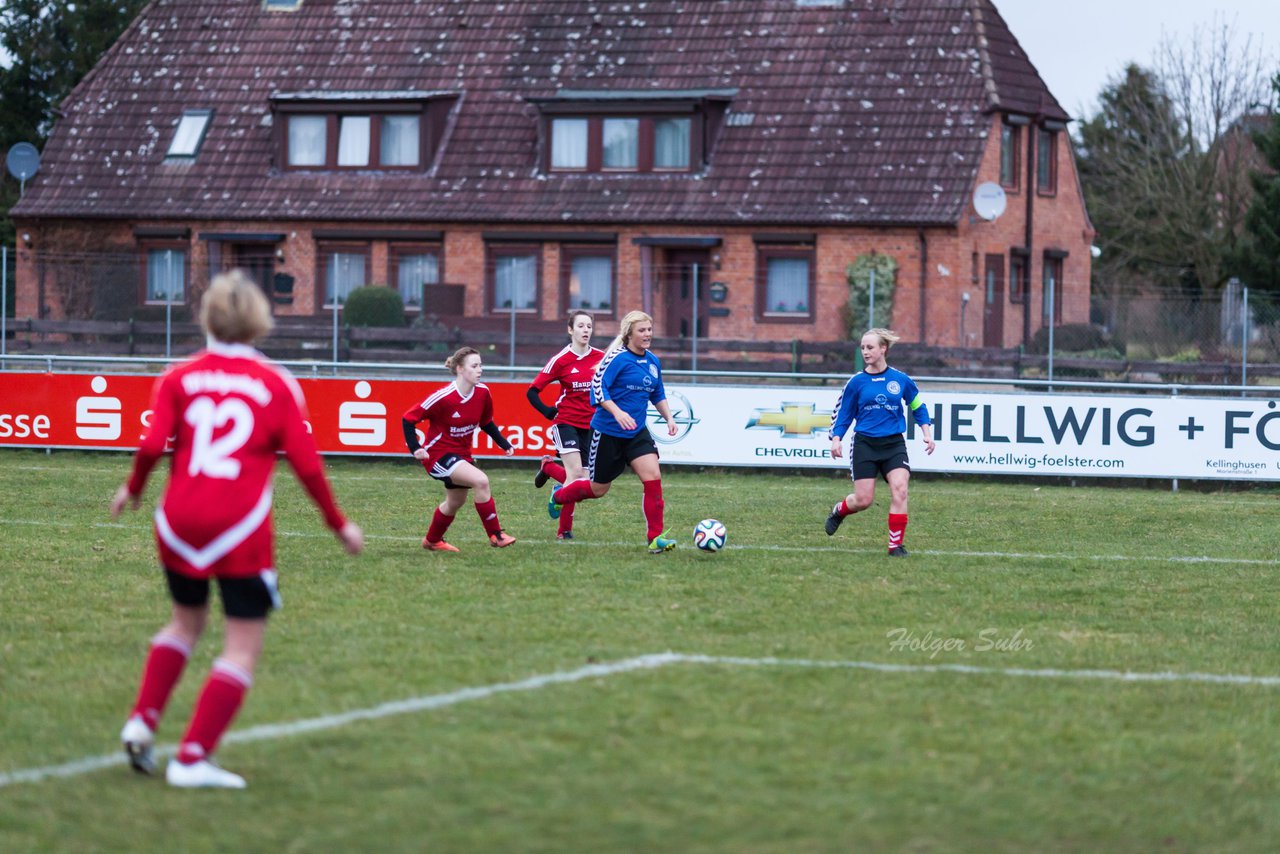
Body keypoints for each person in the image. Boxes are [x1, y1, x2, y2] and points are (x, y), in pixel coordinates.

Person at [111, 270, 365, 789]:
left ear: (207, 317)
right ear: (259, 320)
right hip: (238, 527)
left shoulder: (178, 376)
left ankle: (142, 719)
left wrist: (133, 491)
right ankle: (192, 758)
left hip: (176, 521)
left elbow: (151, 444)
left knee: (184, 625)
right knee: (242, 644)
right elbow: (307, 466)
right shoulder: (275, 382)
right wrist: (338, 525)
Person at [549, 310, 679, 553]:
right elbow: (598, 390)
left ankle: (655, 538)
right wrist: (617, 412)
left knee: (653, 479)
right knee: (598, 489)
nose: (647, 334)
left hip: (636, 432)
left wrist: (669, 418)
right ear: (629, 333)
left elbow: (657, 393)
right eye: (642, 330)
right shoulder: (616, 358)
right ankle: (559, 496)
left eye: (649, 329)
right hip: (608, 432)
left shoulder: (652, 361)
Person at [826, 327, 935, 556]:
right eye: (863, 347)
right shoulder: (856, 383)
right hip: (865, 444)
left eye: (870, 347)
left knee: (900, 490)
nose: (865, 352)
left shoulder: (901, 380)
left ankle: (895, 546)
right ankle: (839, 511)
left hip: (893, 444)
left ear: (883, 348)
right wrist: (836, 439)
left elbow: (917, 406)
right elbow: (844, 414)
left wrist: (926, 431)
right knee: (863, 500)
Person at [403, 346, 517, 551]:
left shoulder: (483, 393)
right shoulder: (444, 397)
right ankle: (496, 535)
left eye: (481, 365)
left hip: (462, 455)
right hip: (437, 456)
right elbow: (408, 418)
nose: (480, 370)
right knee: (481, 480)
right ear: (460, 369)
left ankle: (432, 541)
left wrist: (503, 443)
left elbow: (486, 422)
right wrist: (415, 448)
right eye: (474, 366)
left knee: (455, 502)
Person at [527, 310, 605, 540]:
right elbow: (532, 392)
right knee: (576, 476)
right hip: (566, 422)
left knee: (586, 481)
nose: (585, 330)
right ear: (570, 330)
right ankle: (564, 531)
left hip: (591, 425)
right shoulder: (560, 360)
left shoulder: (601, 357)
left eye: (589, 326)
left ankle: (548, 468)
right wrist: (548, 412)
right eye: (581, 326)